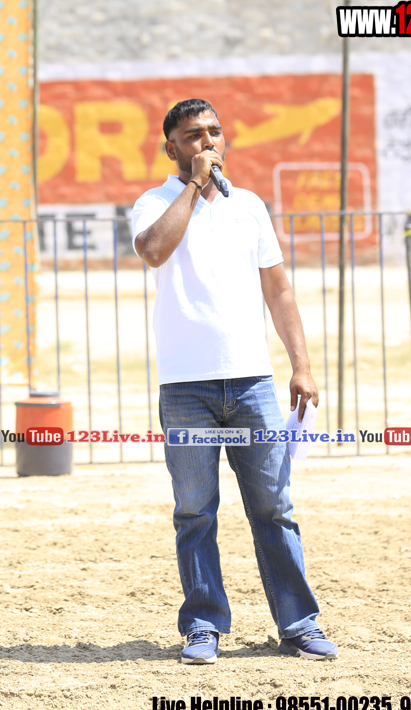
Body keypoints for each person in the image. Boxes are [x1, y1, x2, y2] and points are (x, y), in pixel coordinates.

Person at [131, 99, 336, 664]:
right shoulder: (154, 203)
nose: (208, 142)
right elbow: (153, 251)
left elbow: (279, 290)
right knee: (195, 513)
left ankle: (298, 624)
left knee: (274, 507)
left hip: (253, 385)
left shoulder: (249, 206)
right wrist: (195, 186)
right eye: (194, 135)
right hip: (186, 388)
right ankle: (203, 626)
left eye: (215, 132)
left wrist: (301, 365)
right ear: (171, 148)